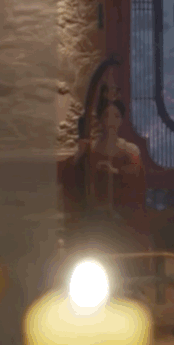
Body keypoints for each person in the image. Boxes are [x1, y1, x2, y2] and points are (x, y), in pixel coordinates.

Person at [58, 88, 151, 251]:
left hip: (122, 212)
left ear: (121, 120)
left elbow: (137, 177)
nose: (111, 121)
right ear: (100, 120)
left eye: (116, 116)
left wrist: (116, 171)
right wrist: (80, 152)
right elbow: (69, 176)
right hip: (93, 213)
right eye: (106, 116)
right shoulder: (91, 147)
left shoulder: (130, 149)